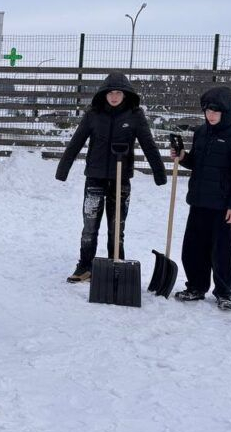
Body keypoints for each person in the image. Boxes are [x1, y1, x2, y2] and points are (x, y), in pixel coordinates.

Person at [55, 72, 167, 282]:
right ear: (104, 94)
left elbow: (148, 145)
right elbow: (76, 143)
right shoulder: (93, 114)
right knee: (89, 227)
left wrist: (159, 173)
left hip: (120, 179)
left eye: (119, 93)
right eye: (111, 93)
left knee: (116, 227)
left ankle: (116, 265)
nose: (114, 96)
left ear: (125, 94)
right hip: (95, 178)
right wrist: (63, 170)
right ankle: (85, 267)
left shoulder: (135, 115)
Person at [170, 86, 231, 310]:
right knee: (193, 249)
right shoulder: (201, 133)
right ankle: (196, 287)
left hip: (223, 206)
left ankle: (224, 293)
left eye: (216, 110)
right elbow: (197, 163)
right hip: (199, 202)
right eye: (208, 110)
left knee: (222, 252)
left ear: (227, 111)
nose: (211, 115)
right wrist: (183, 156)